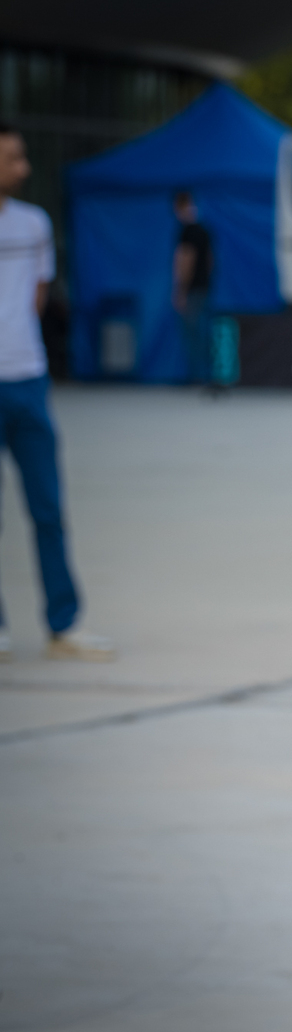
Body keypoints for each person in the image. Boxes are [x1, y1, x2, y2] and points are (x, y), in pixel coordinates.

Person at [0, 122, 113, 663]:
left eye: (23, 157)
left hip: (28, 378)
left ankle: (63, 623)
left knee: (48, 507)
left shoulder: (33, 224)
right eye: (11, 159)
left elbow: (37, 296)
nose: (22, 168)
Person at [172, 190, 214, 385]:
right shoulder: (204, 231)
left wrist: (181, 290)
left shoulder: (187, 232)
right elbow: (210, 260)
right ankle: (206, 374)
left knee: (193, 333)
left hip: (192, 289)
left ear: (179, 207)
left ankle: (197, 376)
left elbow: (186, 261)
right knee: (202, 332)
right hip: (203, 287)